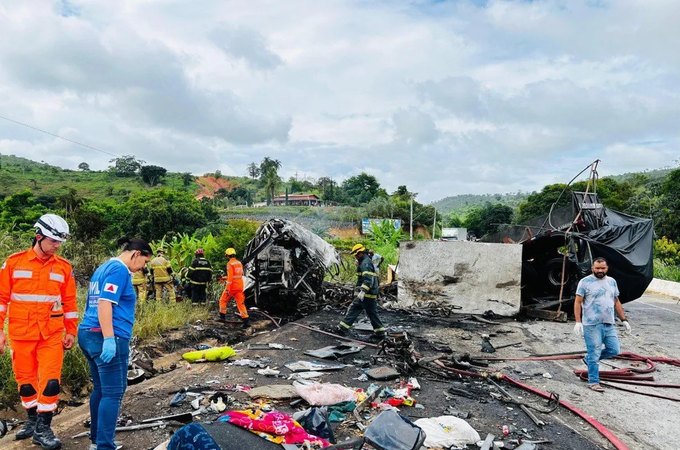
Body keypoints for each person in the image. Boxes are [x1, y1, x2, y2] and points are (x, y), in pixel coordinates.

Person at [0, 213, 77, 449]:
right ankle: (32, 421)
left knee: (51, 381)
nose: (57, 246)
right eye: (53, 241)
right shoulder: (13, 263)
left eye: (59, 242)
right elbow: (1, 300)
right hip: (21, 333)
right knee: (25, 382)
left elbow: (70, 303)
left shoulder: (64, 268)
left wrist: (71, 331)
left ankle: (43, 429)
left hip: (51, 334)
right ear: (38, 236)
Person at [78, 237, 152, 450]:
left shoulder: (103, 268)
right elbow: (104, 303)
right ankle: (104, 446)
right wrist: (109, 338)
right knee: (113, 392)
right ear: (136, 254)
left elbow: (91, 302)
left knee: (101, 389)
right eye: (144, 262)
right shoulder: (119, 271)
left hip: (88, 333)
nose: (142, 268)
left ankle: (97, 441)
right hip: (106, 336)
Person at [573, 257, 632, 392]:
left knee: (614, 349)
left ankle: (588, 360)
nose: (600, 270)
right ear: (592, 268)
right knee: (594, 353)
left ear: (607, 268)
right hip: (592, 324)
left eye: (603, 268)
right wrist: (578, 321)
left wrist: (624, 319)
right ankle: (593, 382)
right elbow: (577, 302)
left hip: (609, 323)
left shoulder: (612, 282)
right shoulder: (585, 282)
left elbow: (616, 301)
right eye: (597, 268)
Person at [338, 244, 386, 339]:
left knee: (358, 309)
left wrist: (363, 291)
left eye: (356, 255)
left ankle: (342, 328)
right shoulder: (365, 261)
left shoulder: (365, 263)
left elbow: (368, 279)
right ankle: (380, 333)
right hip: (369, 294)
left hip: (367, 294)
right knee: (369, 312)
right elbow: (363, 279)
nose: (355, 257)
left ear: (360, 253)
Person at [218, 248, 249, 328]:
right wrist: (225, 278)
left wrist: (228, 288)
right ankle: (246, 321)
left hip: (232, 287)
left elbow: (231, 278)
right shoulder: (239, 263)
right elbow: (237, 275)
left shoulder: (230, 264)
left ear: (227, 255)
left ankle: (222, 318)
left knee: (222, 300)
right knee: (241, 304)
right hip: (240, 286)